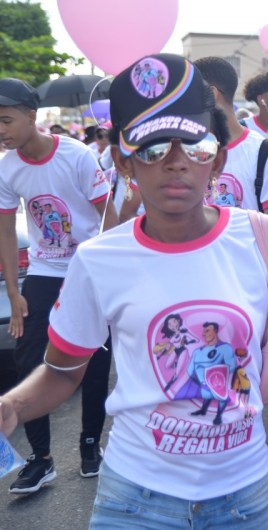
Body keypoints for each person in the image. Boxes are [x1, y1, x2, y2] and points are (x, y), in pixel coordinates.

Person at [0, 54, 268, 530]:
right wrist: (13, 406)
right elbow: (62, 372)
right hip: (133, 502)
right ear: (123, 162)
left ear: (218, 158)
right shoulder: (98, 260)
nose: (176, 162)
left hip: (243, 502)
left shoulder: (259, 237)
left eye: (195, 145)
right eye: (152, 148)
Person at [0, 78, 118, 493]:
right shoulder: (6, 167)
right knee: (30, 358)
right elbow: (5, 230)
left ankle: (90, 445)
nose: (0, 130)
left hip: (87, 269)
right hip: (44, 272)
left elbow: (108, 214)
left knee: (94, 358)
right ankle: (40, 459)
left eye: (6, 120)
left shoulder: (76, 155)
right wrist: (14, 292)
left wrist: (108, 272)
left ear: (31, 116)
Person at [194, 56, 268, 227]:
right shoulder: (184, 151)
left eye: (190, 94)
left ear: (212, 94)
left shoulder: (265, 154)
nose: (185, 103)